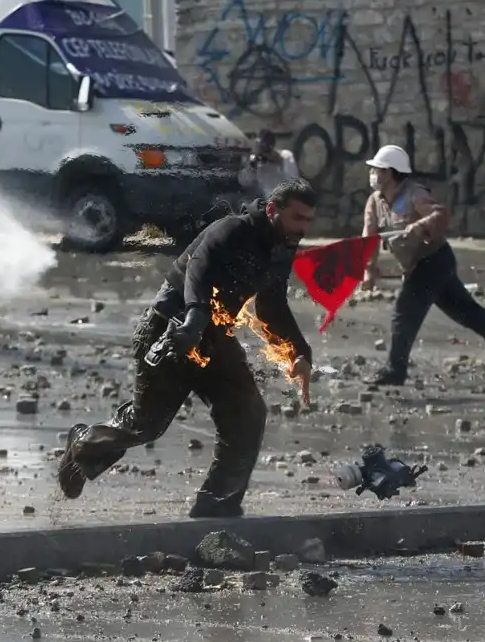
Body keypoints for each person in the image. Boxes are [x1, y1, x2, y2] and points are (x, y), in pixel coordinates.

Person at [57, 178, 317, 518]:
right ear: (273, 210)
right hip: (170, 331)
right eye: (297, 218)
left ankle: (217, 503)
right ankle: (83, 443)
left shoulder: (282, 247)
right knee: (146, 425)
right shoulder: (231, 230)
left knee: (247, 413)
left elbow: (272, 306)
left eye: (308, 220)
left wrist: (298, 352)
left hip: (215, 340)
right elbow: (198, 269)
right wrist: (195, 317)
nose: (303, 228)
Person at [361, 145, 485, 386]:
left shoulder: (414, 194)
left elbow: (440, 214)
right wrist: (369, 270)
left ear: (390, 172)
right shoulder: (375, 202)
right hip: (418, 266)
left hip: (434, 261)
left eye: (377, 170)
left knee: (404, 314)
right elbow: (368, 239)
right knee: (468, 313)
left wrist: (420, 226)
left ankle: (395, 371)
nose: (372, 174)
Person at [243, 129, 301, 198]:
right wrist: (253, 164)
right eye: (260, 147)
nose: (263, 151)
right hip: (263, 199)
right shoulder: (254, 160)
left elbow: (294, 180)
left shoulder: (286, 155)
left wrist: (279, 161)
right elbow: (245, 182)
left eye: (264, 147)